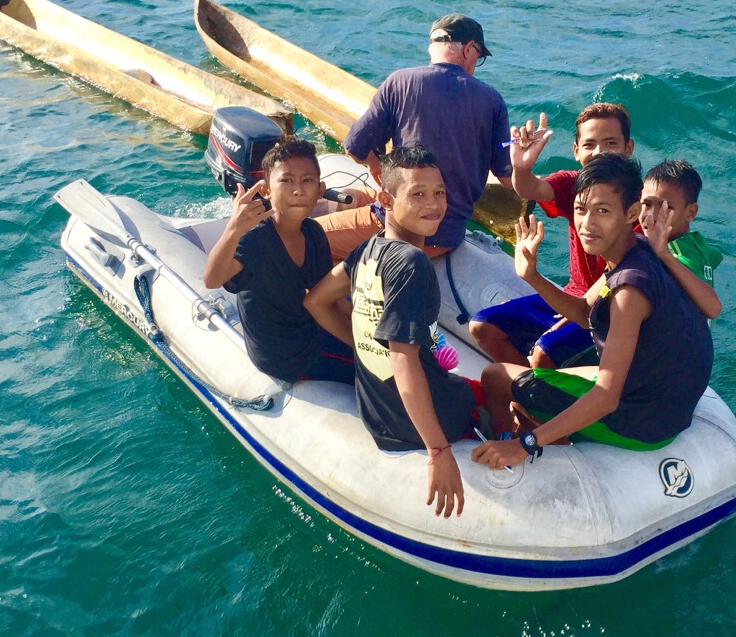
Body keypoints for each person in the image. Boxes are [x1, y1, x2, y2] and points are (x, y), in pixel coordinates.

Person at [471, 153, 714, 471]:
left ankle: (506, 454)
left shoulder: (630, 292)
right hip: (662, 404)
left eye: (602, 211)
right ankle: (535, 427)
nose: (587, 223)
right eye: (581, 209)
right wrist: (531, 276)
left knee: (496, 376)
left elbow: (606, 397)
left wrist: (524, 445)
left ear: (631, 213)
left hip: (642, 423)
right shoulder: (637, 248)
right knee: (538, 377)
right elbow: (585, 312)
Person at [305, 147, 478, 518]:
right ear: (385, 200)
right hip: (420, 423)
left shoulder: (366, 250)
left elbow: (316, 301)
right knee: (496, 381)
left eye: (439, 192)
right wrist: (438, 451)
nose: (433, 204)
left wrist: (361, 342)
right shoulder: (412, 263)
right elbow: (402, 360)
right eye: (418, 194)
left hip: (377, 414)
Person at [316, 13, 512, 262]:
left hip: (403, 227)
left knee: (301, 237)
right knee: (359, 196)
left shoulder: (400, 81)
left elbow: (354, 148)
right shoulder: (493, 100)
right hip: (449, 234)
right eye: (479, 56)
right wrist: (522, 151)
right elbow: (507, 175)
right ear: (468, 49)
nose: (476, 63)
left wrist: (376, 166)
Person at [469, 103, 635, 368]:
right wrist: (521, 167)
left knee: (543, 353)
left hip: (610, 313)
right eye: (590, 144)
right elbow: (531, 189)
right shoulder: (572, 184)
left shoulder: (636, 205)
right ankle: (528, 390)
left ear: (628, 148)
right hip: (573, 296)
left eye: (611, 143)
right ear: (576, 150)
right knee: (482, 327)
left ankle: (536, 391)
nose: (599, 152)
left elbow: (610, 284)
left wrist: (575, 312)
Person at [202, 137, 354, 386]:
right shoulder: (255, 240)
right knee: (374, 369)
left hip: (307, 327)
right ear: (266, 191)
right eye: (287, 181)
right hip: (287, 355)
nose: (298, 190)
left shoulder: (313, 233)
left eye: (307, 181)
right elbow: (212, 280)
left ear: (320, 190)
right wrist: (233, 229)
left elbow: (328, 294)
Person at [639, 159, 722, 320]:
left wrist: (664, 255)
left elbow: (713, 308)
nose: (652, 215)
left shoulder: (675, 256)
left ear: (690, 213)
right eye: (647, 204)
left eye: (667, 207)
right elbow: (716, 255)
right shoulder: (697, 243)